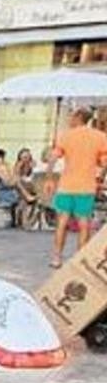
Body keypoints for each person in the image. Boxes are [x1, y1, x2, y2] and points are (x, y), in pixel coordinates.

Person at [48, 108, 107, 267]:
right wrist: (101, 176)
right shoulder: (100, 137)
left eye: (72, 115)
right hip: (86, 187)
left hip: (66, 186)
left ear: (79, 117)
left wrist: (49, 179)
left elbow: (53, 158)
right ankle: (79, 259)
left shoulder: (66, 135)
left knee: (62, 222)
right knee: (84, 223)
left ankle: (57, 257)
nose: (70, 118)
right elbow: (104, 162)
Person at [0, 148, 24, 223]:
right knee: (24, 198)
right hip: (3, 195)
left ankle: (21, 221)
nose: (4, 160)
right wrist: (12, 172)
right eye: (3, 157)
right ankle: (24, 222)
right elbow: (8, 183)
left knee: (21, 190)